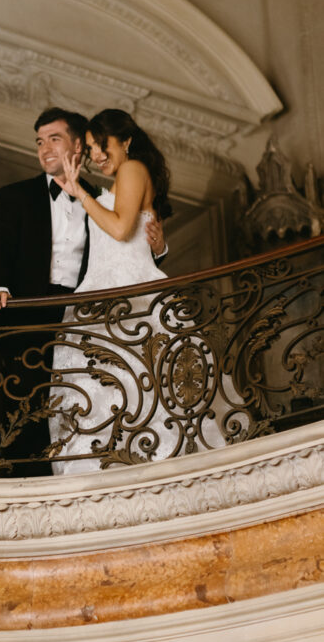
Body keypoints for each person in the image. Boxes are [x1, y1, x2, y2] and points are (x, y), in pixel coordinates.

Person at [0, 107, 166, 476]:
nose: (44, 148)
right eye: (39, 141)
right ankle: (17, 477)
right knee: (23, 402)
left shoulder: (99, 192)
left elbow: (125, 234)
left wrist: (159, 248)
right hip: (30, 310)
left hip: (83, 311)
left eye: (55, 139)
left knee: (89, 395)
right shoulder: (15, 195)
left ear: (78, 146)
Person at [48, 108, 235, 474]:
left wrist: (80, 194)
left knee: (140, 381)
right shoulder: (125, 177)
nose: (97, 154)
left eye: (102, 144)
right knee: (118, 387)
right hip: (107, 288)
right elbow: (138, 238)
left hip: (125, 291)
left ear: (126, 142)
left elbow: (120, 230)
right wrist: (159, 245)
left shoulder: (133, 169)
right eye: (90, 147)